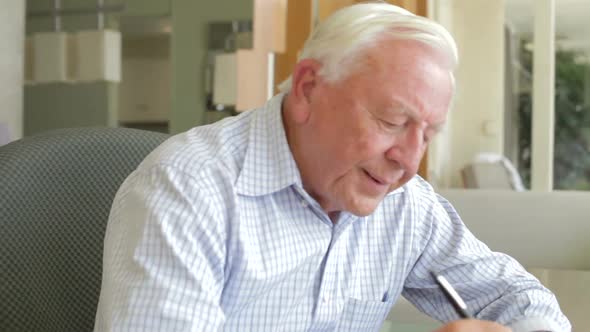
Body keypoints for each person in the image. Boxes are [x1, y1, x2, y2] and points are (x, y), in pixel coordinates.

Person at [94, 3, 570, 332]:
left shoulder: (405, 204)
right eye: (392, 121)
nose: (409, 160)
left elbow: (526, 299)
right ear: (307, 89)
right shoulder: (186, 189)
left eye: (427, 133)